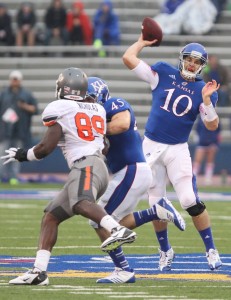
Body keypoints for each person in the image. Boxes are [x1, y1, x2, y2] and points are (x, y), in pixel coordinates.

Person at [1, 67, 137, 285]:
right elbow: (105, 146)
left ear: (63, 88)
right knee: (51, 216)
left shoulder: (60, 107)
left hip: (86, 166)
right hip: (96, 167)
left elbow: (46, 147)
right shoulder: (97, 109)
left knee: (82, 202)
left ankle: (117, 228)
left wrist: (22, 155)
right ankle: (39, 272)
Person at [123, 36, 222, 271]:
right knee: (155, 202)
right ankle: (165, 250)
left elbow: (212, 126)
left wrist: (207, 101)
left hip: (177, 148)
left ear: (202, 66)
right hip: (150, 145)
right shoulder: (163, 72)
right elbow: (128, 58)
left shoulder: (204, 89)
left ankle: (211, 250)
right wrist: (142, 42)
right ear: (181, 59)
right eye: (188, 59)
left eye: (196, 61)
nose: (191, 64)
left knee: (189, 200)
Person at [87, 76, 185, 283]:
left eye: (89, 99)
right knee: (113, 223)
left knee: (99, 219)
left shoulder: (114, 104)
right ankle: (156, 212)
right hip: (131, 172)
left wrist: (95, 129)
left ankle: (123, 270)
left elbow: (122, 124)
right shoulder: (101, 116)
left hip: (132, 170)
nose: (86, 104)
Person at [0, 70, 38, 184]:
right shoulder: (3, 94)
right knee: (2, 154)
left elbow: (35, 109)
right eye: (13, 79)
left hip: (20, 131)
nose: (15, 81)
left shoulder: (26, 94)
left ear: (20, 81)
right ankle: (2, 177)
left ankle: (13, 177)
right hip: (5, 131)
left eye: (16, 79)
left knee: (16, 155)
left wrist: (24, 106)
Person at [193, 117, 221, 185]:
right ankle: (193, 177)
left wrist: (216, 144)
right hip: (202, 143)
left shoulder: (215, 118)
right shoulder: (200, 119)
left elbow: (218, 131)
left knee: (210, 162)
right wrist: (199, 139)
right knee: (197, 161)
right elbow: (197, 130)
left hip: (212, 143)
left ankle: (208, 179)